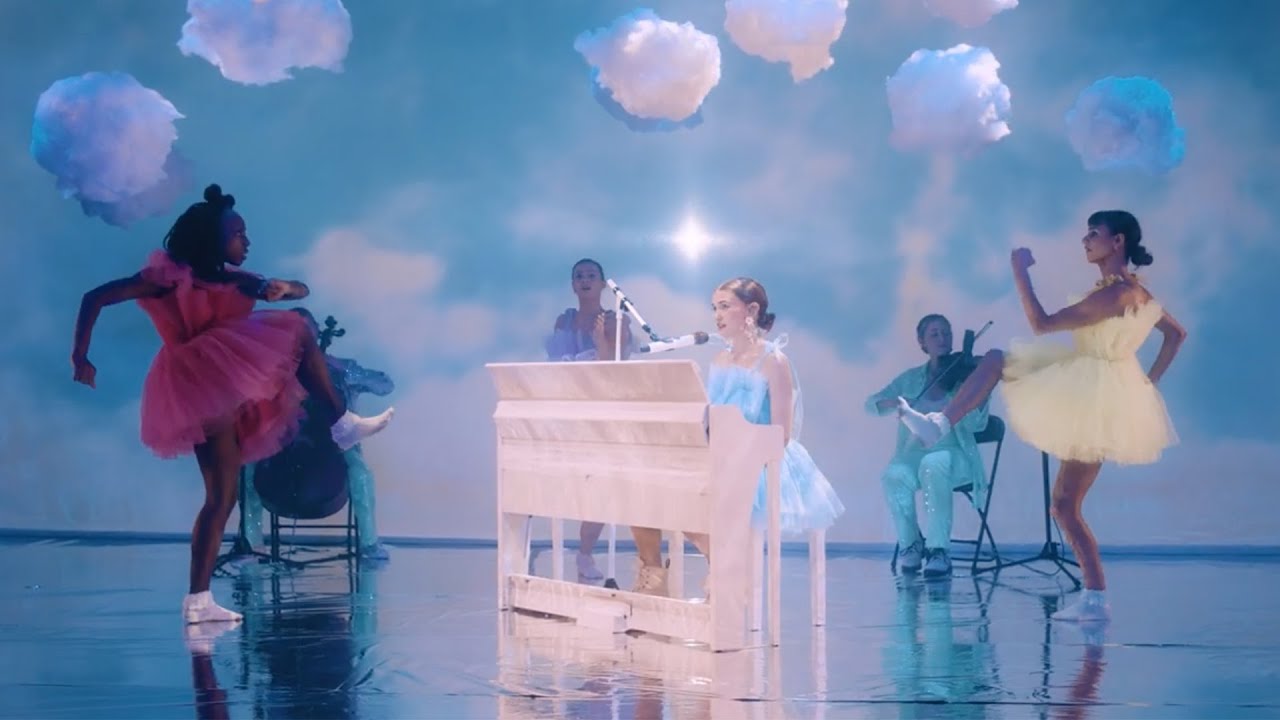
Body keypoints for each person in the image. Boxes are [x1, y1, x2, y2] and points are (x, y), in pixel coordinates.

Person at [71, 184, 395, 624]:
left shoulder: (234, 279)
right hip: (198, 382)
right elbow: (95, 297)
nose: (247, 242)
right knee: (219, 496)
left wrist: (282, 287)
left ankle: (198, 601)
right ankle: (343, 425)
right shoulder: (167, 279)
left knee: (221, 496)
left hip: (223, 381)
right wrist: (80, 357)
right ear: (212, 240)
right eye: (238, 235)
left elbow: (299, 291)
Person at [898, 210, 1184, 621]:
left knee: (1065, 504)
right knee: (1063, 502)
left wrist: (1020, 273)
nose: (1085, 240)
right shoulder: (1138, 293)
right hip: (1098, 388)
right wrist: (1145, 385)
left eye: (1094, 233)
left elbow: (1042, 324)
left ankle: (1096, 600)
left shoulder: (1115, 296)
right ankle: (939, 424)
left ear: (1118, 241)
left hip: (1091, 394)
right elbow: (1176, 334)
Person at [631, 277, 846, 597]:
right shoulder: (719, 361)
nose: (717, 315)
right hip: (720, 451)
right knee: (645, 484)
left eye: (725, 306)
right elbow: (712, 417)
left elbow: (781, 433)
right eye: (714, 308)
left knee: (690, 493)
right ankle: (656, 572)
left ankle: (724, 563)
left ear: (752, 310)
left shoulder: (773, 361)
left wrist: (734, 452)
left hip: (758, 458)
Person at [866, 314, 992, 577]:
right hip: (914, 455)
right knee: (893, 475)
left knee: (933, 464)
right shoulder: (910, 379)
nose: (942, 339)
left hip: (955, 454)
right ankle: (911, 543)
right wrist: (895, 403)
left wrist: (978, 395)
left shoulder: (967, 377)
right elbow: (870, 404)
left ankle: (938, 550)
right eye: (934, 334)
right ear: (922, 342)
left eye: (946, 333)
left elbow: (978, 425)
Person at [544, 258, 634, 581]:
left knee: (600, 483)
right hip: (568, 409)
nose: (585, 280)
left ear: (602, 284)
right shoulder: (564, 320)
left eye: (591, 276)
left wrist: (601, 344)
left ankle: (585, 553)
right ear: (573, 285)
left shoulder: (615, 321)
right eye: (579, 276)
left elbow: (614, 373)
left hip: (603, 410)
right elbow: (554, 366)